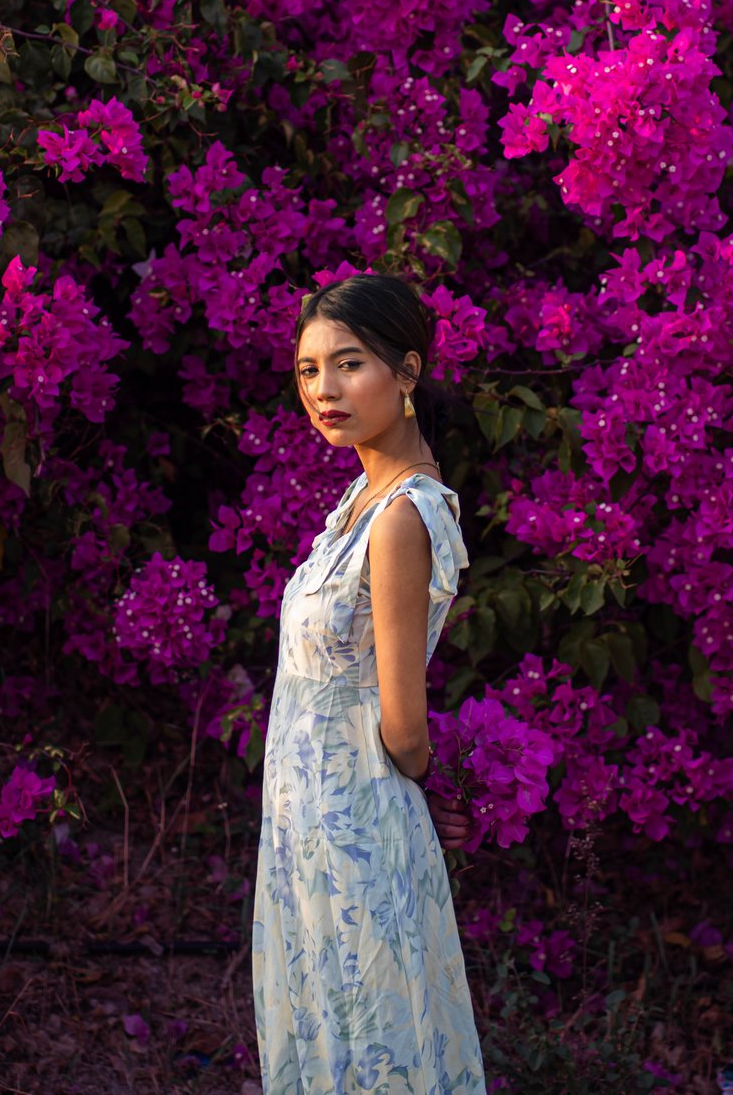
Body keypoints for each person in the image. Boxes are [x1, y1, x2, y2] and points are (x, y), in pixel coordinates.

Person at [250, 273, 489, 1092]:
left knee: (376, 1039)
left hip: (356, 825)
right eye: (309, 370)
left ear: (409, 372)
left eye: (348, 364)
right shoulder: (362, 497)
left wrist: (428, 784)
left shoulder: (400, 519)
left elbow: (402, 721)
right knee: (336, 1034)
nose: (324, 390)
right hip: (311, 825)